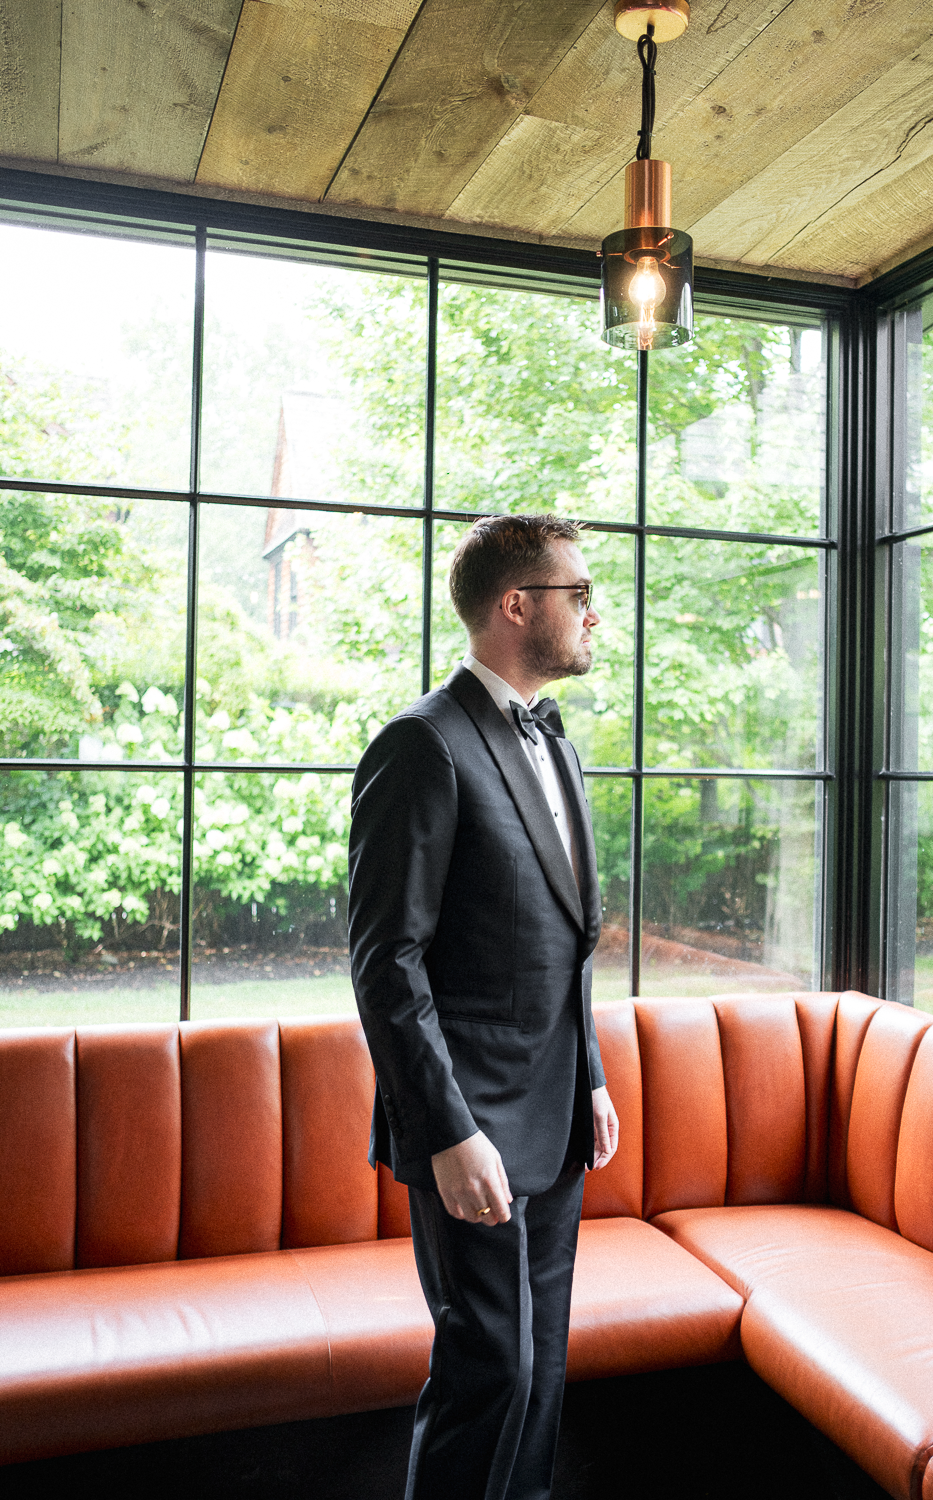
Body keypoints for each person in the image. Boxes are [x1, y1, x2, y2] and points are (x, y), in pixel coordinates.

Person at [348, 513, 618, 1500]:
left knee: (541, 1371)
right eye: (577, 594)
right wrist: (448, 1133)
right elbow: (387, 963)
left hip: (555, 1121)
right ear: (516, 606)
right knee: (488, 1374)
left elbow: (568, 941)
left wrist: (587, 1074)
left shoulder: (560, 746)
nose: (595, 615)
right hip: (470, 1130)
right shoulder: (422, 746)